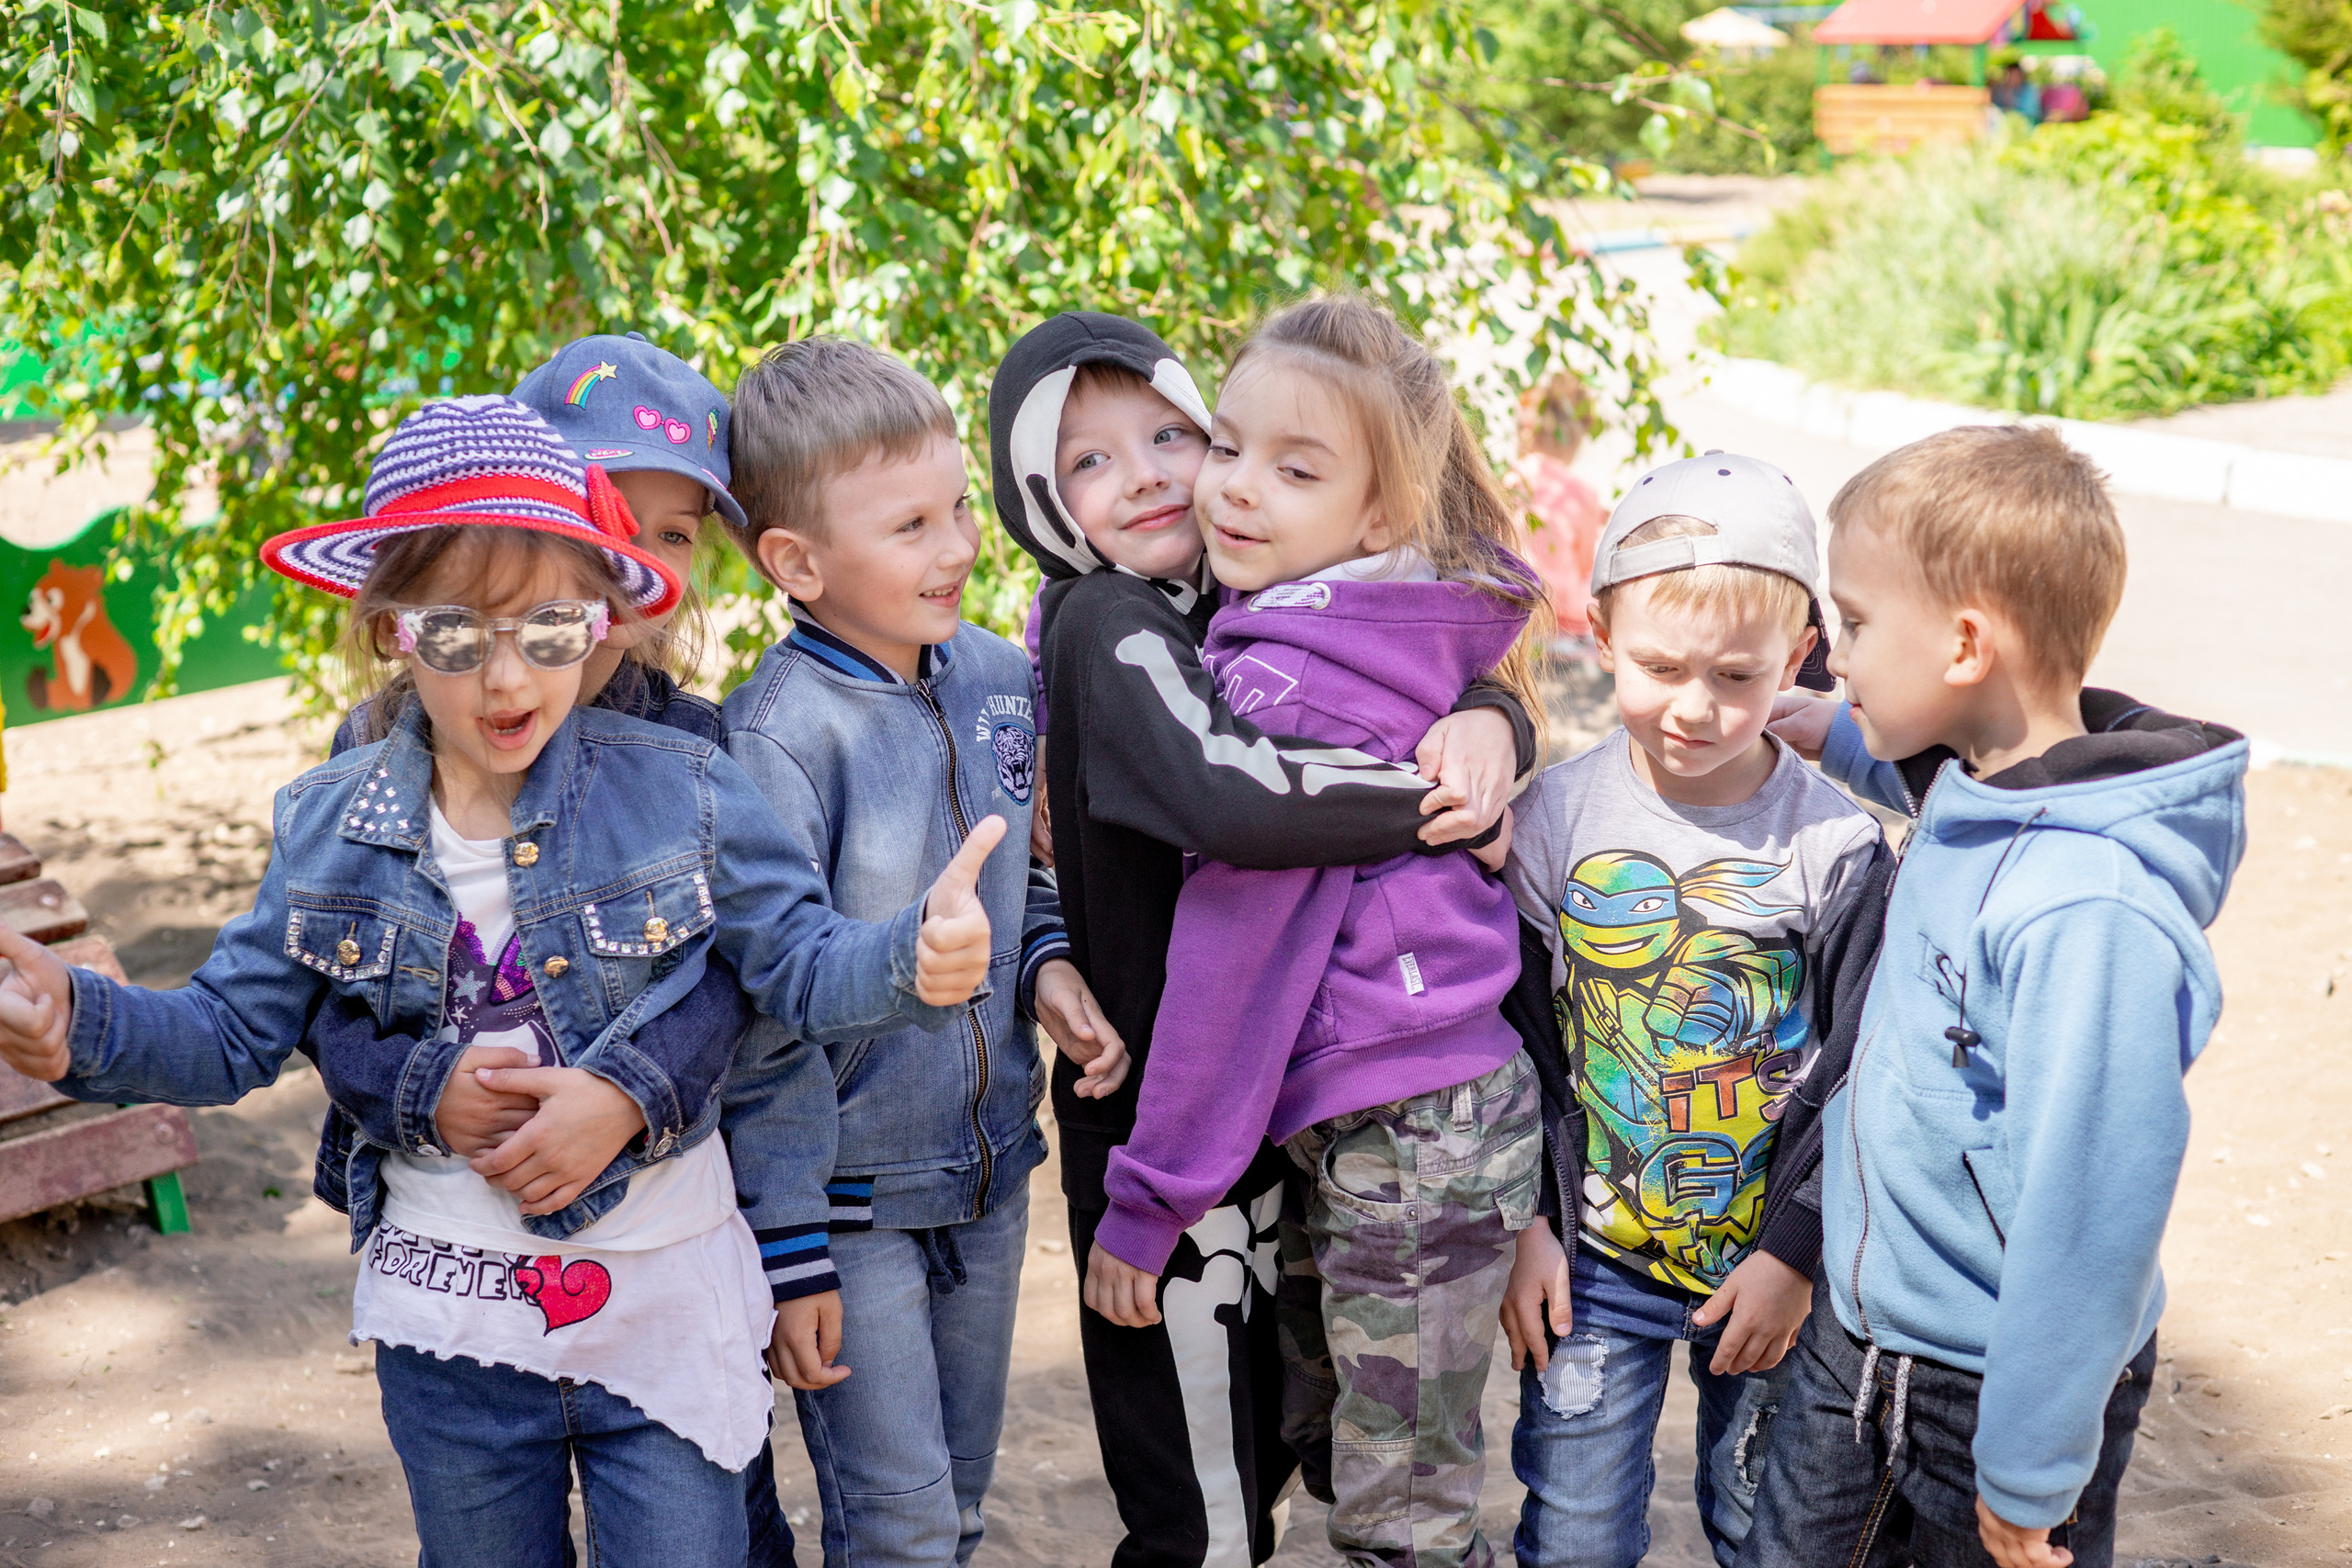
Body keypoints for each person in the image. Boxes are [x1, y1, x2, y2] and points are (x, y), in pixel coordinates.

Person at [0, 395, 1007, 1567]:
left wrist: (908, 958)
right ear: (391, 631)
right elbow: (231, 1031)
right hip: (455, 1337)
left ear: (600, 618)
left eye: (549, 628)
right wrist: (78, 1022)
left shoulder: (687, 787)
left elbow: (792, 967)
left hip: (664, 1308)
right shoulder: (332, 826)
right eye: (456, 635)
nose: (506, 675)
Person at [989, 310, 1535, 1568]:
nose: (1203, 483)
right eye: (1228, 446)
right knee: (1330, 1449)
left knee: (1390, 1500)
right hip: (1339, 1105)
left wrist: (1483, 741)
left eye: (1174, 438)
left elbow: (1237, 915)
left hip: (1382, 1111)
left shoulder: (1276, 651)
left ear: (1377, 510)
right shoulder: (1216, 615)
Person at [296, 335, 808, 1562]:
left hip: (662, 1253)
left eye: (671, 535)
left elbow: (746, 971)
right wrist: (420, 1089)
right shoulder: (374, 755)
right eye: (605, 514)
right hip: (464, 1276)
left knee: (709, 1509)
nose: (634, 562)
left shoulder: (691, 752)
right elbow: (318, 985)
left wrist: (629, 1094)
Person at [1746, 424, 2247, 1568]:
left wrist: (2029, 1465)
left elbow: (2095, 1205)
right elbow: (1945, 792)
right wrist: (1834, 736)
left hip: (1993, 1388)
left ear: (1966, 644)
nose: (1835, 657)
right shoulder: (1980, 788)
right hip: (1856, 1335)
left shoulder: (2090, 911)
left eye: (1854, 625)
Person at [713, 336, 1115, 1568]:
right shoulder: (773, 740)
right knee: (900, 1528)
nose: (956, 547)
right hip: (847, 1208)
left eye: (958, 509)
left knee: (963, 1509)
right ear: (797, 562)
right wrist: (789, 1248)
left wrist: (1047, 968)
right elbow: (760, 999)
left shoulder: (997, 677)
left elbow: (1017, 878)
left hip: (989, 1177)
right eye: (911, 527)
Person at [1495, 456, 1892, 1568]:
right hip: (1590, 1266)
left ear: (1798, 656)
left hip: (1767, 1272)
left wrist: (1796, 1255)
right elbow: (1516, 1047)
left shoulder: (1834, 846)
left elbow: (1866, 1070)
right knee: (1573, 1535)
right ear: (1600, 632)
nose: (1693, 706)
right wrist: (1525, 1225)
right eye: (1660, 666)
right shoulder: (1551, 821)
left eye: (1735, 675)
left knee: (1759, 1528)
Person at [1510, 372, 1608, 655]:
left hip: (1517, 604)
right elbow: (1585, 565)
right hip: (1564, 617)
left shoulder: (1512, 479)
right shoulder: (1582, 492)